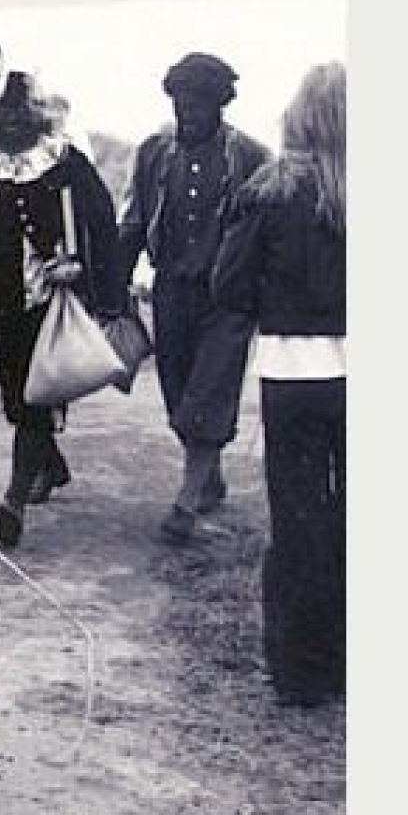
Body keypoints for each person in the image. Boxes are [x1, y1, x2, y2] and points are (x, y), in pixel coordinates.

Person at [0, 70, 124, 548]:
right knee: (20, 399)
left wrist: (91, 275)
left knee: (34, 398)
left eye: (22, 111)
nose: (14, 121)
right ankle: (51, 464)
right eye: (5, 112)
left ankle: (14, 502)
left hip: (48, 298)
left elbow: (101, 221)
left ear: (34, 113)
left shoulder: (62, 161)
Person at [212, 62, 345, 708]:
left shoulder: (271, 192)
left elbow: (227, 287)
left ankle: (303, 673)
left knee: (299, 525)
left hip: (294, 375)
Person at [114, 52, 270, 545]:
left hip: (228, 298)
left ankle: (185, 500)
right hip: (171, 291)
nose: (188, 114)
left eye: (198, 104)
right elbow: (135, 221)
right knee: (179, 392)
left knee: (210, 388)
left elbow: (266, 233)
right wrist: (113, 281)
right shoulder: (154, 154)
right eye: (181, 103)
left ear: (220, 104)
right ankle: (208, 474)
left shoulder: (251, 158)